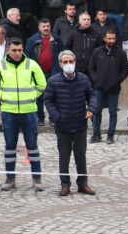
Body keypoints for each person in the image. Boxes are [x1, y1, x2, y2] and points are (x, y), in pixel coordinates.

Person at [0, 37, 46, 192]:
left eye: (20, 50)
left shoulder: (32, 65)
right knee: (10, 147)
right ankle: (10, 179)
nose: (17, 53)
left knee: (32, 146)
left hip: (29, 111)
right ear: (8, 50)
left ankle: (36, 179)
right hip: (9, 112)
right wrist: (4, 96)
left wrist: (32, 95)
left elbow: (42, 84)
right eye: (14, 50)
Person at [44, 49, 97, 196]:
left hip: (80, 123)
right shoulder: (53, 81)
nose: (68, 64)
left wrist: (92, 108)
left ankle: (83, 183)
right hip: (63, 125)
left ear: (75, 62)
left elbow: (91, 95)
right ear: (60, 64)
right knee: (64, 156)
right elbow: (48, 100)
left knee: (81, 156)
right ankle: (65, 184)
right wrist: (56, 116)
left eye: (71, 61)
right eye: (65, 62)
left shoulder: (83, 79)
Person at [88, 29, 126, 144]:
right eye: (109, 38)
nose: (112, 41)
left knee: (113, 112)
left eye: (113, 38)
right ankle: (96, 134)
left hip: (113, 88)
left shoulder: (121, 53)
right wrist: (96, 80)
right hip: (99, 87)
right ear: (104, 39)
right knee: (97, 111)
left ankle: (110, 135)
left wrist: (116, 81)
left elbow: (125, 71)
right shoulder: (97, 52)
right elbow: (91, 68)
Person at [27, 19, 61, 125]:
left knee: (53, 96)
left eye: (47, 26)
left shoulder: (57, 39)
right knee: (39, 97)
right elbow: (28, 55)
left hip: (53, 72)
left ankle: (53, 118)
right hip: (38, 72)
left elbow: (61, 55)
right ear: (39, 28)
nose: (46, 28)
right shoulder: (33, 40)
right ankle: (40, 118)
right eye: (43, 26)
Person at [62, 13, 99, 81]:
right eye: (84, 19)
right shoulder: (73, 33)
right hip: (77, 67)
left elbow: (100, 49)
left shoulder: (96, 34)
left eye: (88, 19)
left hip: (92, 68)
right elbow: (67, 47)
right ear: (79, 21)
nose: (87, 21)